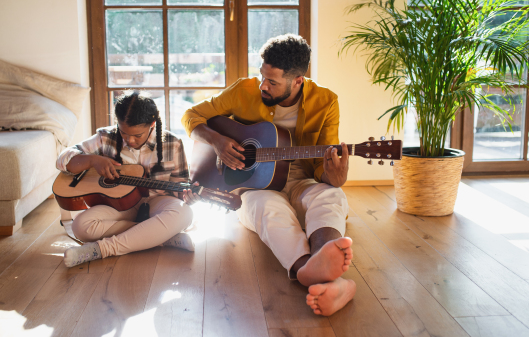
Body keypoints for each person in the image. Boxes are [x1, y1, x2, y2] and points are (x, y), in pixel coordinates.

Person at [181, 34, 356, 316]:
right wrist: (218, 142)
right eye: (262, 76)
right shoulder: (243, 90)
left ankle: (322, 266)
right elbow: (191, 116)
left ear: (297, 80)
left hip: (302, 180)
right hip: (254, 187)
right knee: (265, 207)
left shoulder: (326, 101)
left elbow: (325, 171)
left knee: (332, 194)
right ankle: (324, 278)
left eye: (272, 82)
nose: (263, 85)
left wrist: (335, 176)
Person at [58, 91, 199, 267]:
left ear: (152, 124)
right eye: (124, 133)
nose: (130, 140)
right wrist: (93, 160)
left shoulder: (173, 143)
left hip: (157, 203)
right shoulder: (105, 137)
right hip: (118, 206)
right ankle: (163, 236)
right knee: (80, 226)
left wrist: (187, 196)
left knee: (185, 213)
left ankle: (100, 250)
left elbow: (179, 186)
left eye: (137, 135)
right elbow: (63, 159)